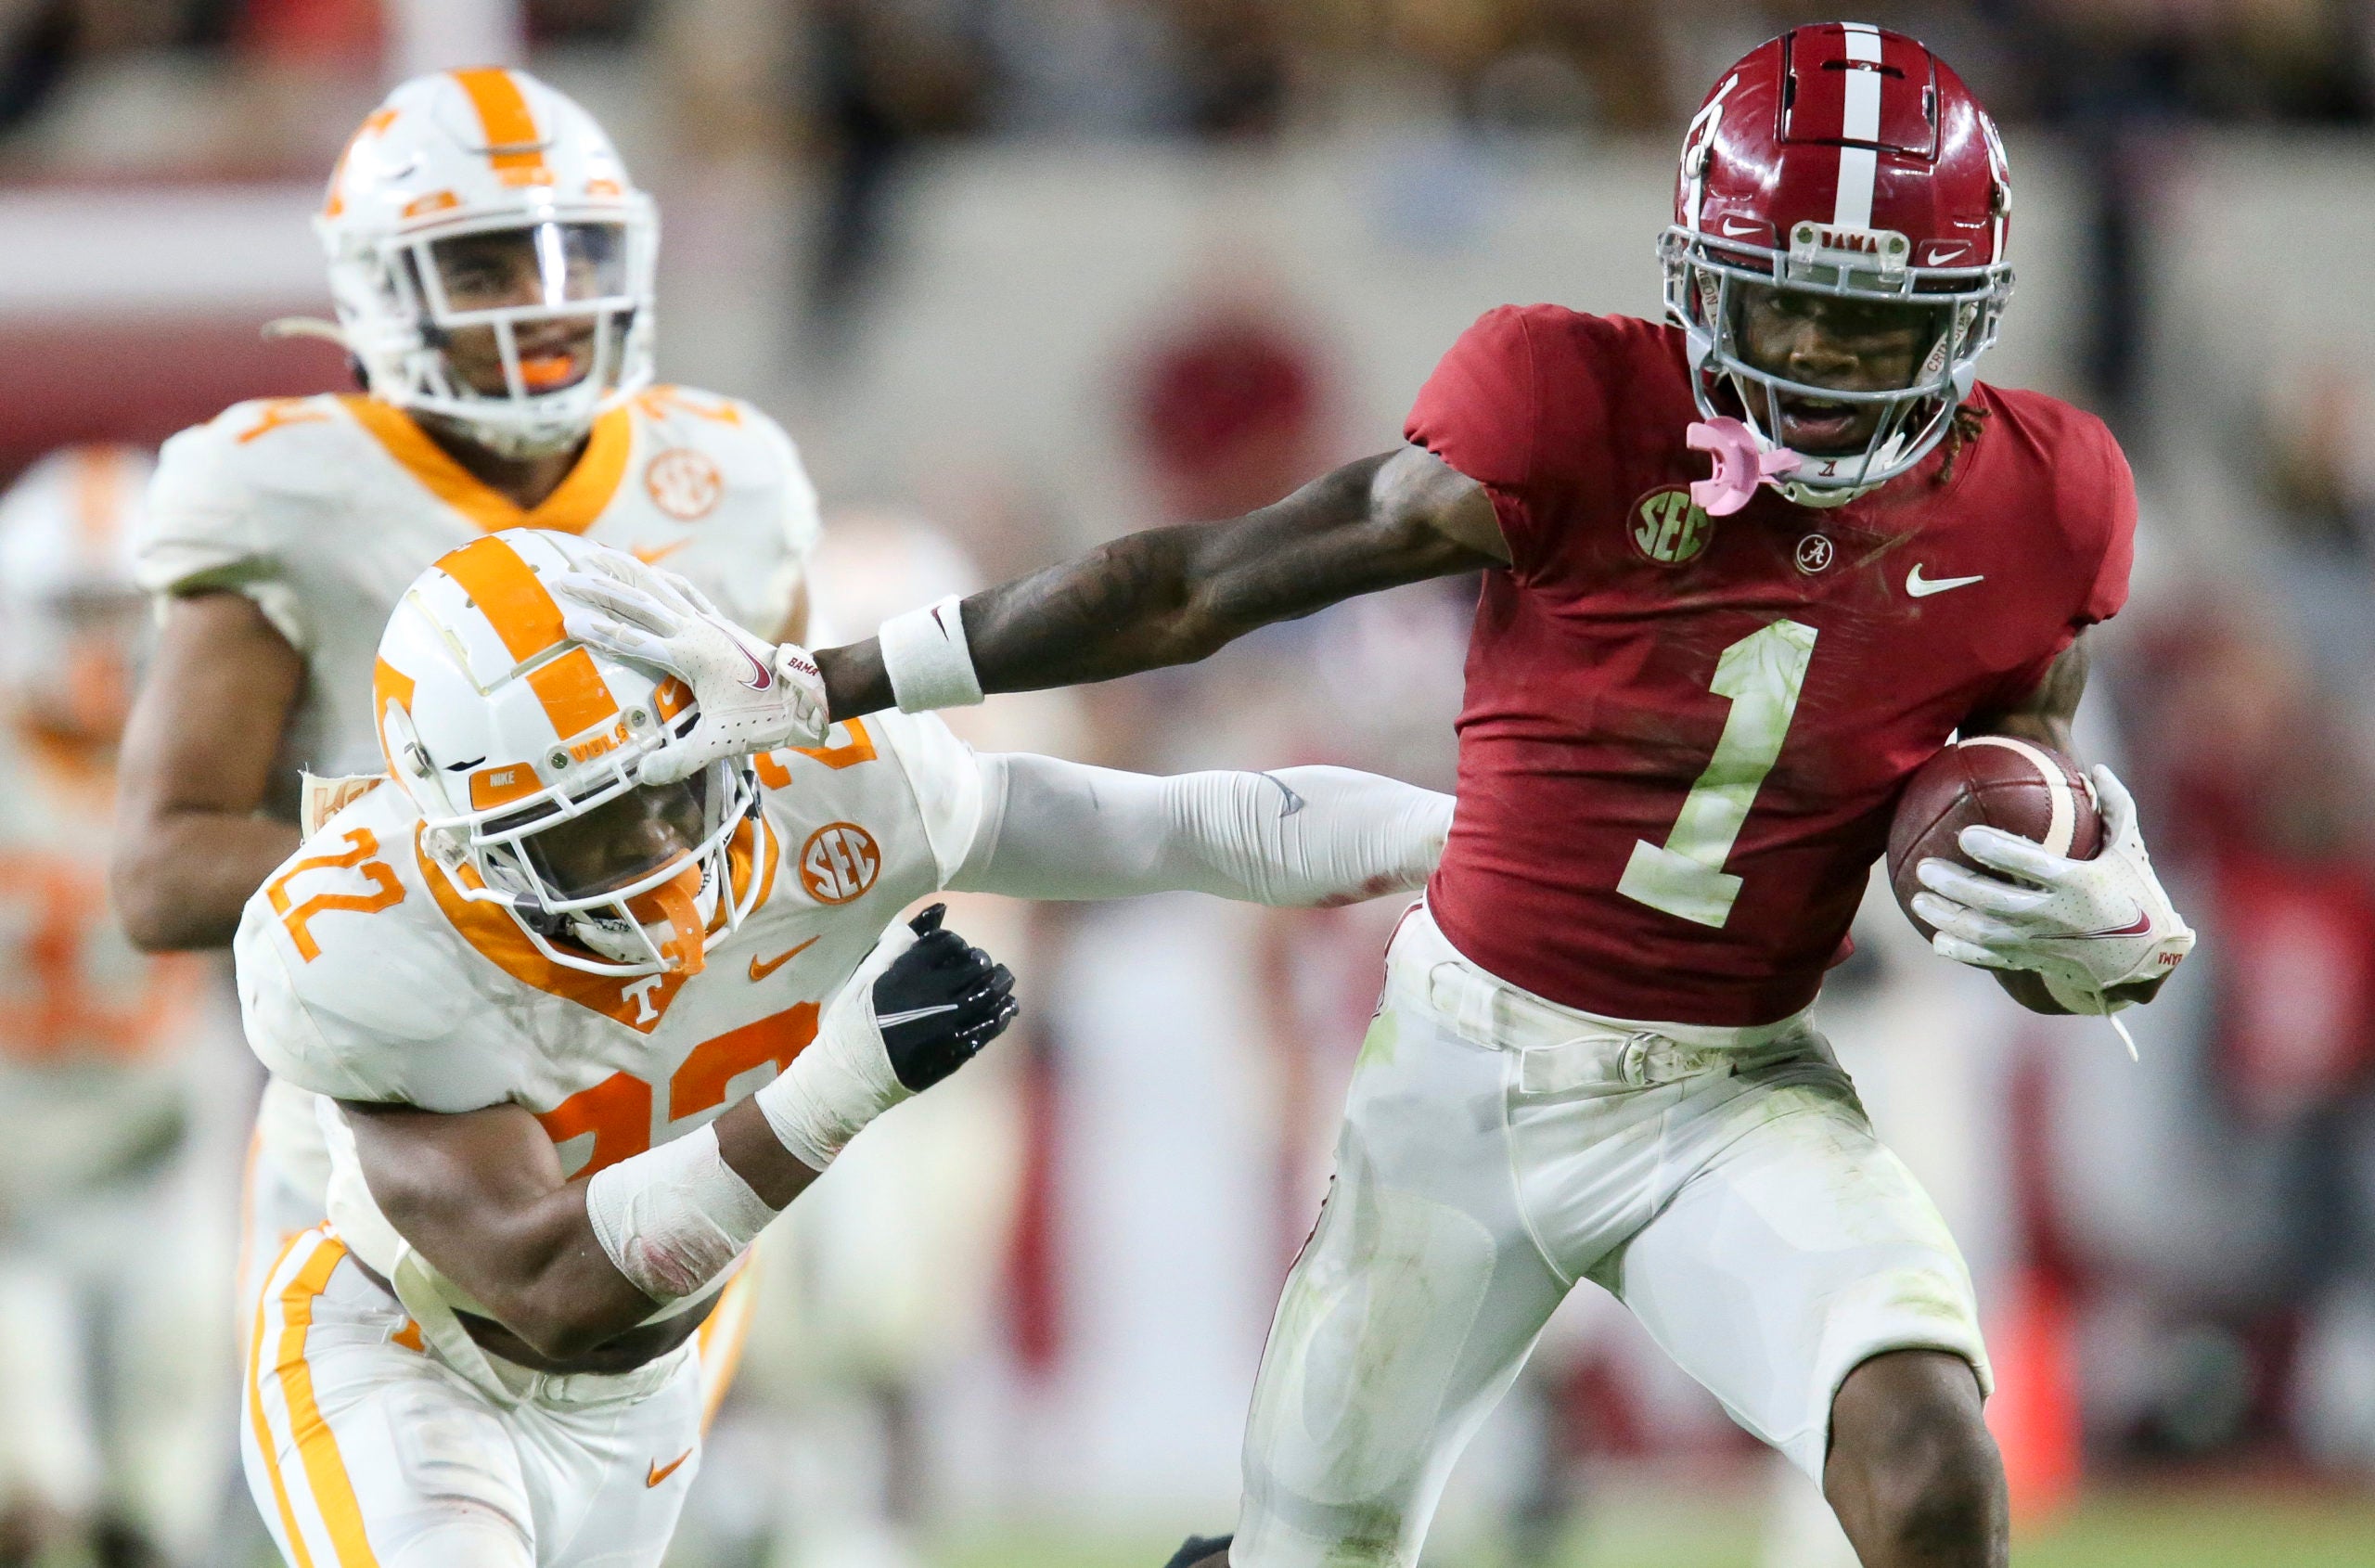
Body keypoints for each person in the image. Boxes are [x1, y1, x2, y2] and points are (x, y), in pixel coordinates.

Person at [618, 24, 2201, 1568]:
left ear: (1972, 317)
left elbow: (2012, 792)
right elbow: (1198, 585)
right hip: (1464, 1078)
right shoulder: (1573, 406)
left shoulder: (2046, 501)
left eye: (1876, 331)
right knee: (1322, 1546)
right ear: (1701, 278)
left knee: (1930, 1458)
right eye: (1784, 314)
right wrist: (839, 678)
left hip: (1735, 1093)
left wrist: (2100, 916)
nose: (1824, 375)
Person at [234, 527, 1452, 1568]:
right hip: (415, 1354)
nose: (657, 846)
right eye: (590, 830)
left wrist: (1502, 846)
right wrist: (837, 1088)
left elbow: (1188, 829)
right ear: (469, 847)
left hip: (653, 1382)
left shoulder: (825, 777)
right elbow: (543, 1287)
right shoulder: (357, 938)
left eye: (670, 782)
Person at [111, 66, 823, 1316]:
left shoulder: (729, 472)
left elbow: (805, 785)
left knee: (621, 1487)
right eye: (486, 267)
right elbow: (162, 873)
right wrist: (476, 865)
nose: (543, 303)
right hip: (398, 1085)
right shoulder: (291, 491)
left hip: (655, 1070)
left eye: (570, 255)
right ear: (381, 290)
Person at [0, 446, 238, 1568]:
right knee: (30, 1495)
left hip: (158, 1143)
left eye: (120, 606)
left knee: (159, 1497)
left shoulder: (225, 748)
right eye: (75, 606)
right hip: (9, 1171)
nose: (100, 639)